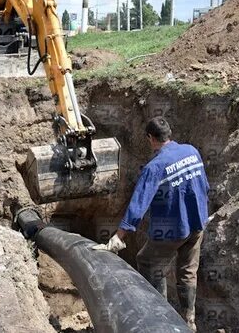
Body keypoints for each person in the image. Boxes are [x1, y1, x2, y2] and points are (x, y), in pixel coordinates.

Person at [93, 116, 209, 331]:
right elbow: (203, 185)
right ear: (169, 134)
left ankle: (161, 317)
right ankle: (188, 320)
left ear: (150, 138)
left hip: (173, 230)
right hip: (197, 222)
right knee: (187, 270)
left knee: (147, 261)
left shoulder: (154, 167)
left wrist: (119, 236)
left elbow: (138, 204)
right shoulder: (191, 151)